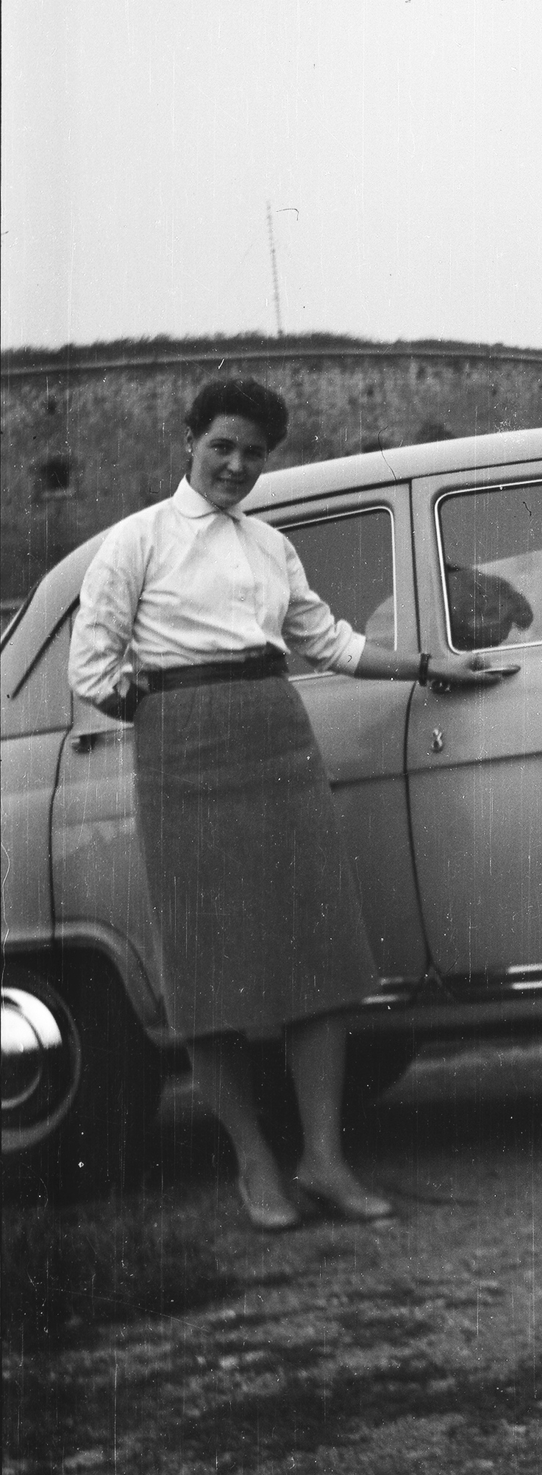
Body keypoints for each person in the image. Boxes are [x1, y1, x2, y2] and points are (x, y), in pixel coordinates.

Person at [68, 378, 497, 1231]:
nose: (236, 465)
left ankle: (325, 1159)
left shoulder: (270, 546)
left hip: (276, 737)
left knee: (315, 956)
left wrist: (422, 666)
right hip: (182, 750)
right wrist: (159, 703)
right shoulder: (132, 542)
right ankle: (255, 1163)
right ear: (189, 441)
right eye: (222, 445)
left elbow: (326, 641)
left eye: (254, 454)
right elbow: (91, 668)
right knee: (205, 965)